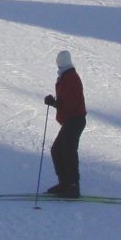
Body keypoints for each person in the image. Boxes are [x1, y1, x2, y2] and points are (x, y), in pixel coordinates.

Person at [43, 50, 87, 198]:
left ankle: (72, 186)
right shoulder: (65, 76)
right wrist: (55, 102)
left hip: (75, 120)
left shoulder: (70, 78)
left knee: (68, 151)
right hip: (72, 120)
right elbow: (67, 101)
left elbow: (71, 104)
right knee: (58, 150)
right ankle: (65, 183)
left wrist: (55, 103)